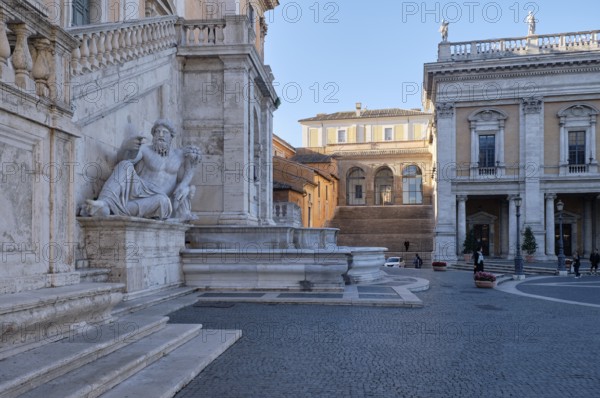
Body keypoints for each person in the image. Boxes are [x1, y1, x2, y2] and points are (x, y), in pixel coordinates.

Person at [85, 119, 201, 221]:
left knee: (162, 201)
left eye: (164, 132)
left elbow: (191, 166)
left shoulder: (179, 155)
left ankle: (110, 209)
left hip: (158, 198)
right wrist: (126, 147)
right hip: (139, 190)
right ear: (153, 135)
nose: (160, 135)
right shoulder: (145, 150)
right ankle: (103, 203)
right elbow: (123, 159)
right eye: (157, 132)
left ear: (171, 137)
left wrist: (185, 185)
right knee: (126, 164)